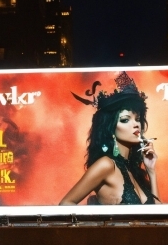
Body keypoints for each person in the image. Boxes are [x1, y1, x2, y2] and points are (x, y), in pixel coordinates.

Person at [60, 72, 160, 206]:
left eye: (137, 119)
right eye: (125, 120)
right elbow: (66, 203)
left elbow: (158, 214)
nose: (136, 124)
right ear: (111, 128)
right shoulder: (106, 165)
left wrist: (151, 171)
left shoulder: (132, 169)